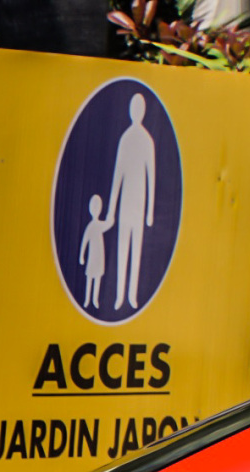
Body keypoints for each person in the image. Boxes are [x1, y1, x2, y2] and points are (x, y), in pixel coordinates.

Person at [105, 92, 158, 312]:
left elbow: (151, 176)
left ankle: (132, 295)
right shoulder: (125, 138)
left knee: (137, 249)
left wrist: (150, 211)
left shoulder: (147, 139)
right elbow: (118, 174)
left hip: (139, 201)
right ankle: (118, 296)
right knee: (122, 248)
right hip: (125, 202)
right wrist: (111, 208)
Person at [80, 192, 111, 310]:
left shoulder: (99, 225)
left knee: (97, 277)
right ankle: (87, 299)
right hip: (92, 256)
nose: (96, 209)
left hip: (99, 255)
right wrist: (82, 256)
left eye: (97, 207)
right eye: (94, 207)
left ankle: (95, 299)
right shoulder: (91, 226)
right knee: (89, 277)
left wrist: (110, 218)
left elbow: (108, 225)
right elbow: (84, 241)